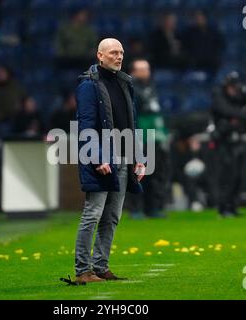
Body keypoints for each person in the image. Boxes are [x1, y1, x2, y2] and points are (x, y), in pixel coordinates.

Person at [74, 38, 144, 283]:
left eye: (122, 52)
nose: (119, 56)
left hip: (123, 158)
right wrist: (96, 157)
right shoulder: (88, 86)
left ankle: (101, 267)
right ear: (100, 56)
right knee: (92, 214)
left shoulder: (124, 83)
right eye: (114, 52)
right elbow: (86, 126)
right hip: (103, 159)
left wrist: (138, 158)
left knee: (112, 216)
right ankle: (83, 270)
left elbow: (130, 124)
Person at [211, 72, 246, 217]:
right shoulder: (218, 96)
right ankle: (223, 207)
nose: (234, 90)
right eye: (232, 87)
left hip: (237, 139)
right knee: (227, 175)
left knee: (238, 175)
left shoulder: (237, 99)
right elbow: (225, 110)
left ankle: (232, 205)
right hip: (223, 141)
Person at [129, 58, 170, 218]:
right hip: (139, 135)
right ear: (133, 72)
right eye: (141, 69)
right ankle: (135, 208)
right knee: (137, 173)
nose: (145, 72)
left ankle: (152, 207)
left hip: (154, 135)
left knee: (154, 173)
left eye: (146, 69)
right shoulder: (130, 89)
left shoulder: (151, 88)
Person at [181, 10, 225, 74]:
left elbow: (221, 45)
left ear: (205, 19)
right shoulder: (189, 32)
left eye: (200, 18)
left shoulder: (213, 32)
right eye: (196, 18)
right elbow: (185, 46)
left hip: (210, 60)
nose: (198, 20)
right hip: (196, 61)